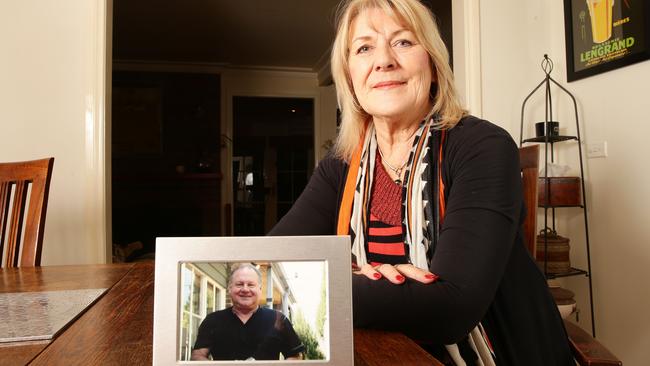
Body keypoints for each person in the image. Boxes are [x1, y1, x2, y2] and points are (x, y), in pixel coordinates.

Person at [269, 0, 575, 364]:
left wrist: (330, 279)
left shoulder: (483, 147)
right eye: (365, 47)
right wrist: (362, 277)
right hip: (387, 351)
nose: (383, 60)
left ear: (432, 61)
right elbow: (270, 267)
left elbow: (451, 309)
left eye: (403, 42)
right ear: (350, 74)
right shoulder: (340, 166)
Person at [191, 264, 305, 361]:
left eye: (251, 285)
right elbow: (197, 356)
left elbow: (296, 356)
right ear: (230, 289)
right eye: (239, 284)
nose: (245, 289)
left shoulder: (278, 319)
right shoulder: (212, 320)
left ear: (260, 290)